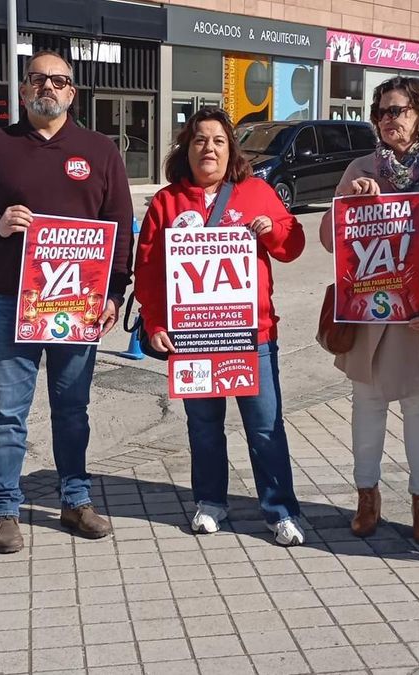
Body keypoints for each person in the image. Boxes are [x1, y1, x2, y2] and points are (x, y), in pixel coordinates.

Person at [0, 50, 134, 553]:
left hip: (77, 302)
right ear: (25, 89)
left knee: (72, 409)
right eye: (38, 79)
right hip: (10, 301)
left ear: (72, 92)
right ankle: (5, 508)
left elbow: (118, 226)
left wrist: (115, 290)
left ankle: (75, 499)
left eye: (59, 80)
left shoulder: (99, 150)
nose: (47, 87)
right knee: (9, 411)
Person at [133, 107, 307, 546]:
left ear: (231, 150)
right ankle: (210, 500)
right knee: (204, 426)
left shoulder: (256, 192)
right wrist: (153, 321)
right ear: (186, 149)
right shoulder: (166, 202)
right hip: (194, 338)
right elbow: (149, 269)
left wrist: (272, 230)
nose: (208, 148)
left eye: (217, 140)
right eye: (198, 140)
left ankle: (280, 508)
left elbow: (293, 245)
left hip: (253, 335)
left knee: (265, 426)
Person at [317, 77, 419, 546]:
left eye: (398, 111)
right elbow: (327, 238)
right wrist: (347, 203)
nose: (388, 120)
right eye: (381, 112)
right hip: (368, 315)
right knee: (367, 404)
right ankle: (367, 496)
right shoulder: (361, 167)